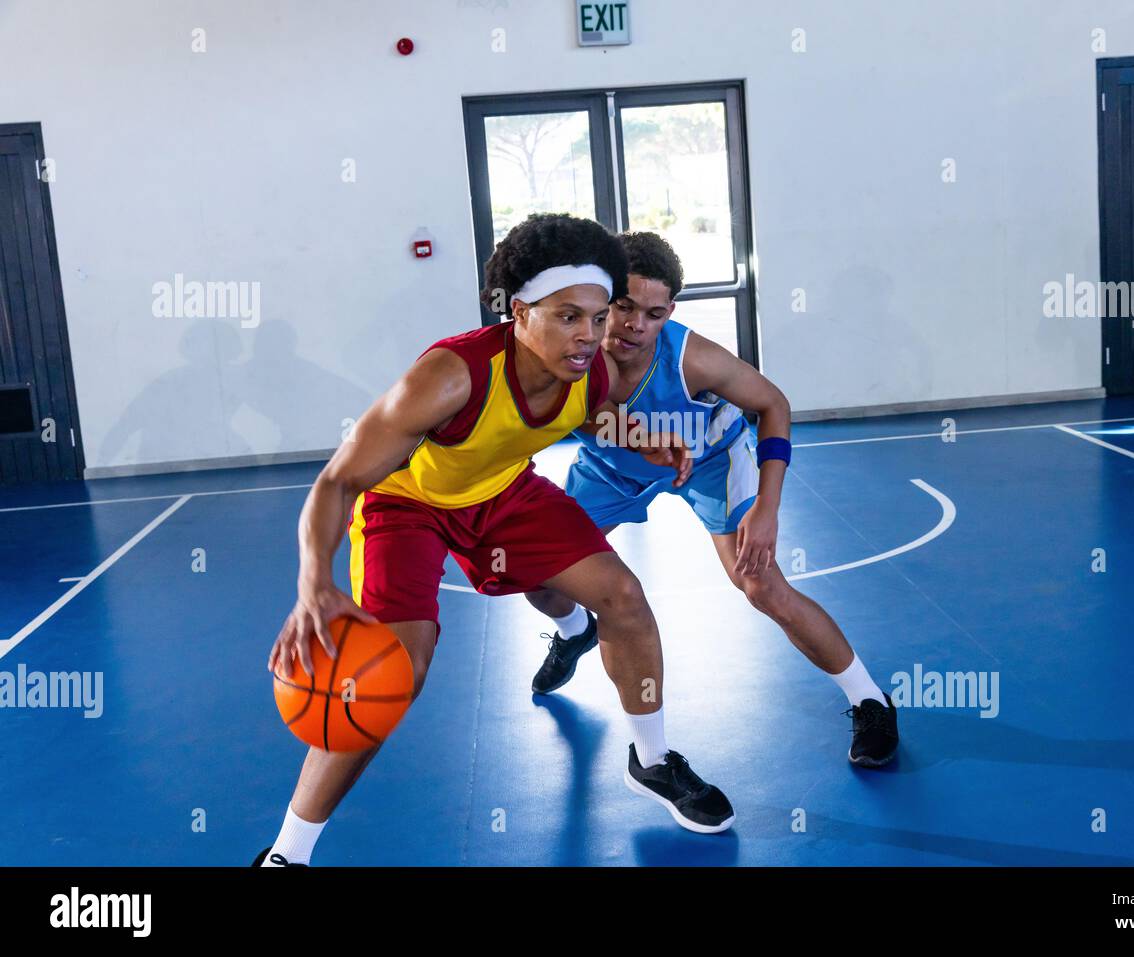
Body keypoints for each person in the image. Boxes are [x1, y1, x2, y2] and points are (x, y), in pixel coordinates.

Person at [255, 215, 736, 867]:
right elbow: (338, 481)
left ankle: (650, 759)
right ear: (519, 311)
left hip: (505, 492)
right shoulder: (449, 377)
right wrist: (314, 583)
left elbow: (591, 414)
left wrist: (641, 437)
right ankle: (288, 853)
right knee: (394, 671)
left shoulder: (589, 372)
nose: (589, 335)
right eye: (568, 316)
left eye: (597, 318)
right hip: (409, 504)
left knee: (623, 596)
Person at [527, 232, 899, 768]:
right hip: (609, 469)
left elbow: (773, 404)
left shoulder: (693, 359)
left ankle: (870, 699)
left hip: (709, 463)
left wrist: (767, 509)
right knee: (536, 572)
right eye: (625, 307)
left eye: (654, 314)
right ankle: (574, 631)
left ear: (670, 312)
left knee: (761, 584)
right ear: (602, 299)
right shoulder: (567, 353)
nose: (635, 326)